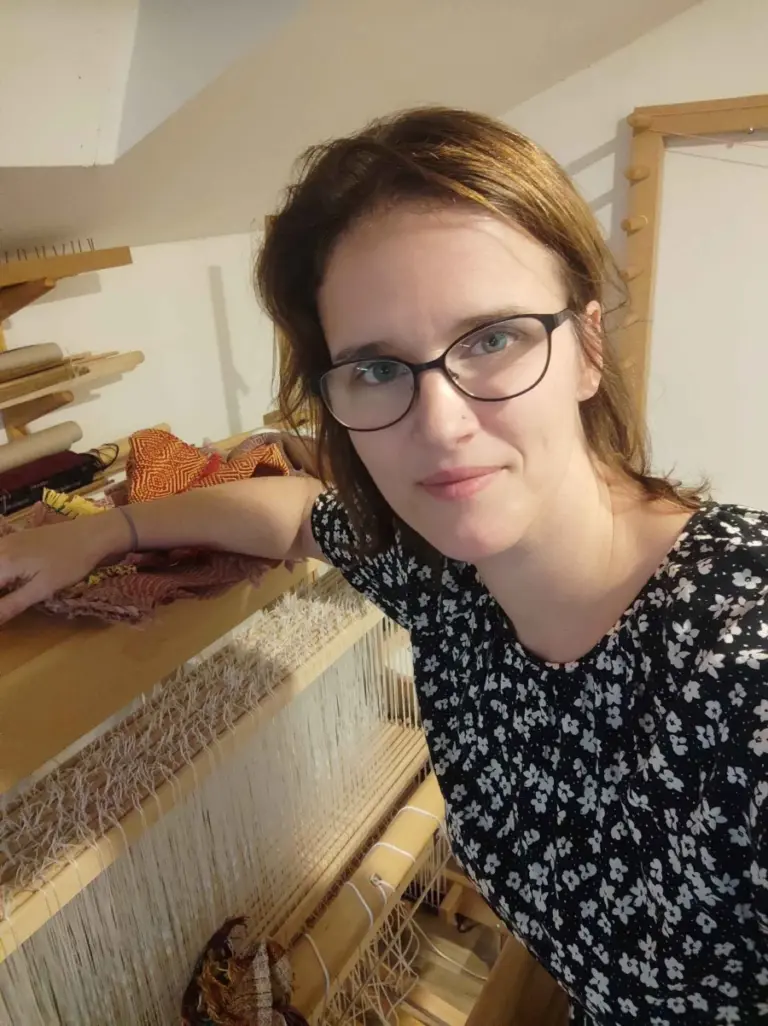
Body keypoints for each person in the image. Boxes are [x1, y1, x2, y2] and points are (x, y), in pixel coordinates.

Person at [0, 107, 766, 1024]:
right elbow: (294, 513)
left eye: (492, 339)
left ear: (588, 350)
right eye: (375, 368)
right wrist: (105, 533)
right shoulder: (449, 580)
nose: (440, 425)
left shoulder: (744, 665)